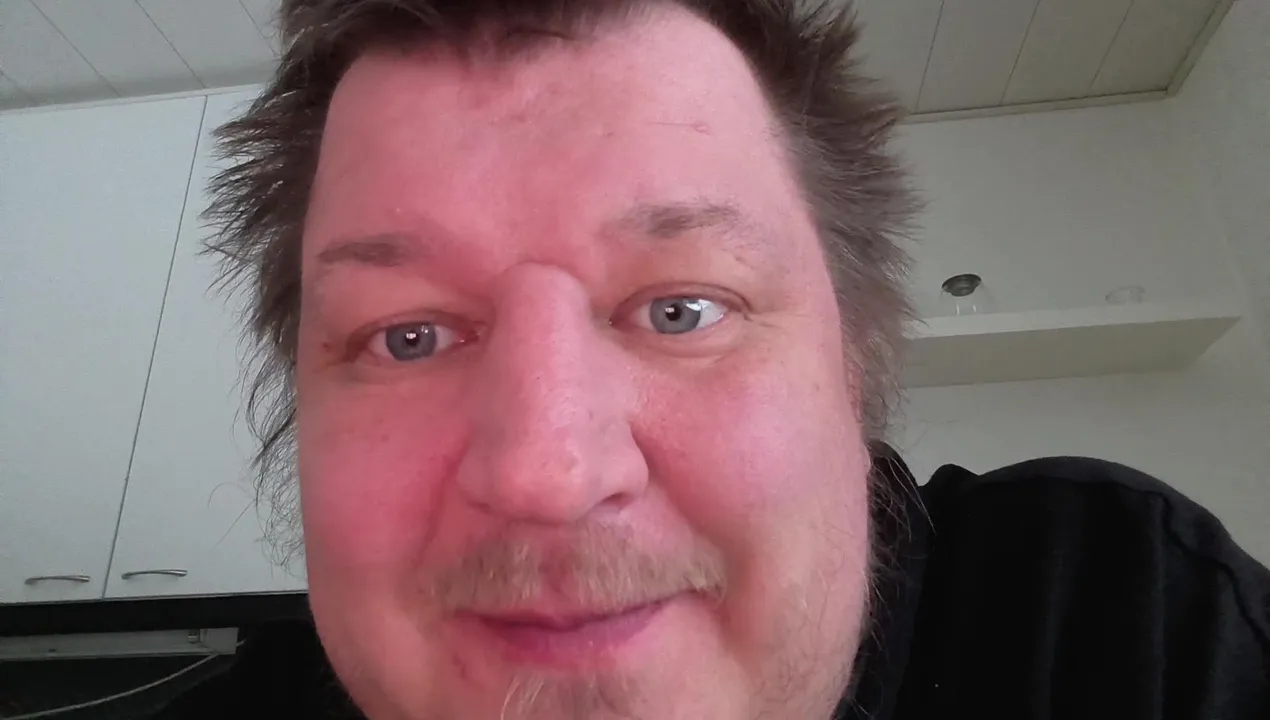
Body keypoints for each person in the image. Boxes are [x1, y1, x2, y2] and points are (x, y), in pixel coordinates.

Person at [160, 1, 1269, 718]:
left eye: (682, 309)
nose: (547, 473)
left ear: (854, 369)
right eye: (409, 336)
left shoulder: (1114, 619)